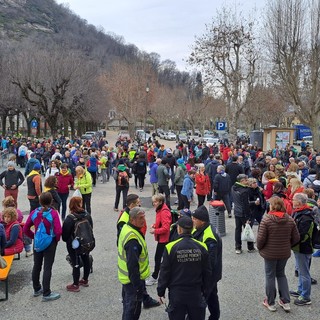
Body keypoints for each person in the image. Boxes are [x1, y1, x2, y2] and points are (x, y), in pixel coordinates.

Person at [157, 216, 212, 320]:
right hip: (196, 292)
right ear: (192, 229)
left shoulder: (170, 247)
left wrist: (161, 291)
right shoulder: (202, 246)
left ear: (179, 229)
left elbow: (164, 272)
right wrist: (205, 291)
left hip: (177, 294)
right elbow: (207, 272)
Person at [257, 196, 300, 312]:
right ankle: (285, 301)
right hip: (284, 252)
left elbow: (260, 239)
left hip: (269, 253)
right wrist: (288, 245)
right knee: (281, 274)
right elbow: (296, 237)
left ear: (272, 206)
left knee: (270, 275)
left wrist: (260, 248)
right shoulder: (290, 219)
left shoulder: (266, 219)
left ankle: (270, 302)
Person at [23, 192, 62, 301]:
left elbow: (25, 229)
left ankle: (36, 289)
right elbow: (58, 231)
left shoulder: (34, 213)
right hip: (50, 242)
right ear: (51, 201)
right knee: (47, 267)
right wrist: (56, 240)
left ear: (40, 201)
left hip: (38, 241)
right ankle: (46, 293)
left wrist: (34, 236)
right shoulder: (53, 213)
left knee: (37, 265)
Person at [118, 207, 152, 319]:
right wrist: (138, 286)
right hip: (133, 281)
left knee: (128, 306)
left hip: (127, 278)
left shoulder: (127, 228)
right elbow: (132, 265)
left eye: (144, 217)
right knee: (132, 311)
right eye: (140, 218)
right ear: (132, 219)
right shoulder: (132, 239)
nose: (144, 220)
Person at [192, 205, 222, 320]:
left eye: (195, 219)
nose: (193, 221)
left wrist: (202, 277)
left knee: (204, 298)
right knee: (212, 297)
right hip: (209, 274)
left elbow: (210, 261)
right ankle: (214, 316)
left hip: (209, 275)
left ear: (202, 221)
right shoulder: (201, 229)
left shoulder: (209, 236)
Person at [62, 196, 93, 292]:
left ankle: (75, 284)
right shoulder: (87, 215)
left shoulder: (70, 218)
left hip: (74, 244)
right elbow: (91, 227)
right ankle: (85, 280)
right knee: (86, 258)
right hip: (86, 242)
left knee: (75, 262)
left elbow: (65, 236)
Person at [290, 193, 315, 306]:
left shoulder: (305, 216)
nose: (292, 201)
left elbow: (301, 235)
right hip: (299, 247)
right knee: (301, 270)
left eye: (293, 199)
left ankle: (305, 296)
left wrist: (290, 242)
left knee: (304, 273)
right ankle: (300, 290)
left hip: (303, 248)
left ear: (299, 202)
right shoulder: (300, 213)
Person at [146, 194, 172, 286]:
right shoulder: (161, 209)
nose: (154, 204)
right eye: (153, 202)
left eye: (155, 202)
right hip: (163, 238)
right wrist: (155, 225)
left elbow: (166, 228)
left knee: (158, 258)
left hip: (164, 239)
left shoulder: (164, 211)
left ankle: (154, 277)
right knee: (164, 258)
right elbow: (162, 223)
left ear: (161, 202)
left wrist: (155, 230)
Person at [231, 174, 255, 254]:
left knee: (238, 230)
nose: (247, 181)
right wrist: (248, 217)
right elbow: (246, 205)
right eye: (246, 180)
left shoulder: (233, 187)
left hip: (236, 212)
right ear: (241, 181)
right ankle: (250, 247)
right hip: (244, 213)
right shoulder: (244, 191)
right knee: (248, 229)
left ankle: (238, 247)